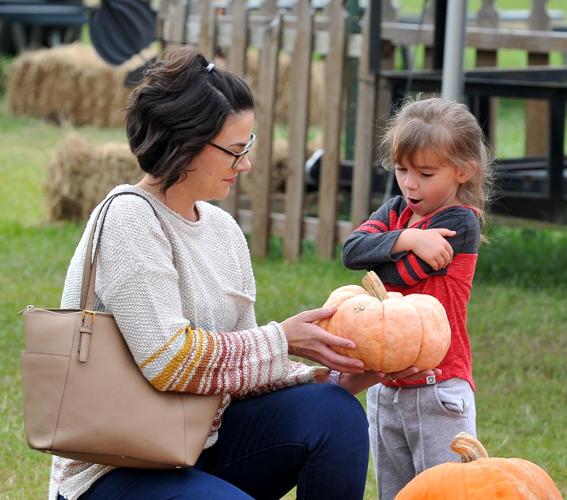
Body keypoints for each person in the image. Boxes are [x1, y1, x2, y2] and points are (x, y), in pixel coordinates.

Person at [48, 45, 433, 500]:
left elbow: (240, 368)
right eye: (234, 150)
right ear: (184, 144)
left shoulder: (223, 230)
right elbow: (168, 363)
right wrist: (283, 339)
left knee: (334, 412)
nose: (246, 164)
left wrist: (331, 377)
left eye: (247, 148)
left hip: (199, 444)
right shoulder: (129, 220)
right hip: (117, 465)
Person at [342, 97, 493, 499]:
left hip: (437, 388)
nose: (409, 184)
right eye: (402, 170)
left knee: (446, 492)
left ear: (463, 171)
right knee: (395, 493)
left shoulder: (460, 223)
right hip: (386, 386)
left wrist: (383, 248)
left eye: (425, 173)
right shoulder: (397, 212)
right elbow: (352, 251)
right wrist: (408, 237)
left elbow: (397, 275)